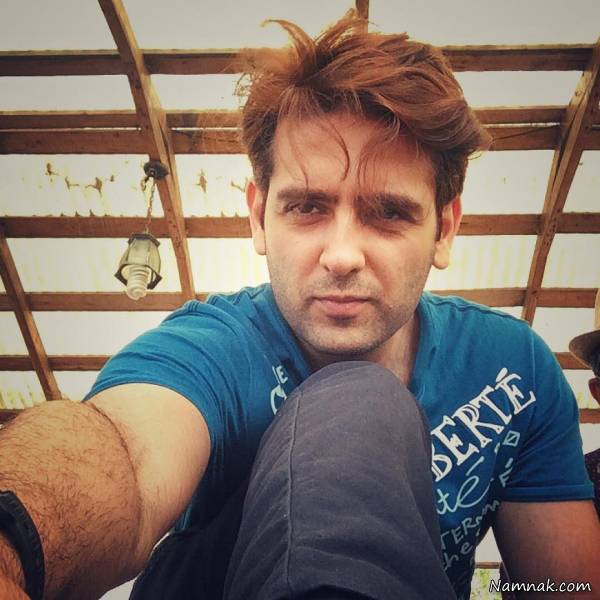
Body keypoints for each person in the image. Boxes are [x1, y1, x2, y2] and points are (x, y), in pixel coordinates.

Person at [1, 11, 599, 600]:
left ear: (444, 229)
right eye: (308, 207)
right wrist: (11, 541)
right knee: (358, 400)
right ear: (259, 217)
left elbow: (562, 584)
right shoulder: (211, 351)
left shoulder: (512, 371)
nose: (342, 256)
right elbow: (125, 457)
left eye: (389, 212)